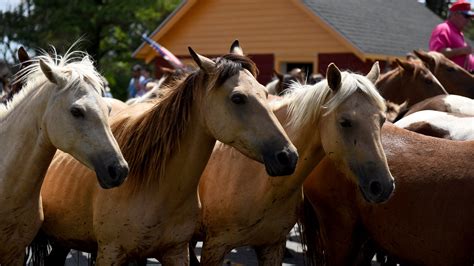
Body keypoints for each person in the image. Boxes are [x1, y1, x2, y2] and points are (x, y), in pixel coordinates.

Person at [429, 0, 474, 72]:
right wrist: (462, 50)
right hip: (452, 80)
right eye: (466, 16)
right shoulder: (443, 28)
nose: (468, 20)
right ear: (455, 14)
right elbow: (436, 54)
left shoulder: (458, 33)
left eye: (470, 17)